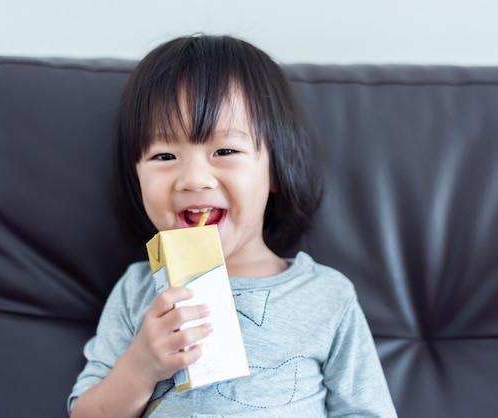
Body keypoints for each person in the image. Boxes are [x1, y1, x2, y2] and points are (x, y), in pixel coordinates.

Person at [67, 34, 398, 418]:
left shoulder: (326, 296)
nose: (193, 179)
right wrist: (142, 365)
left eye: (225, 151)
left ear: (274, 169)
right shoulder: (137, 291)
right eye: (164, 155)